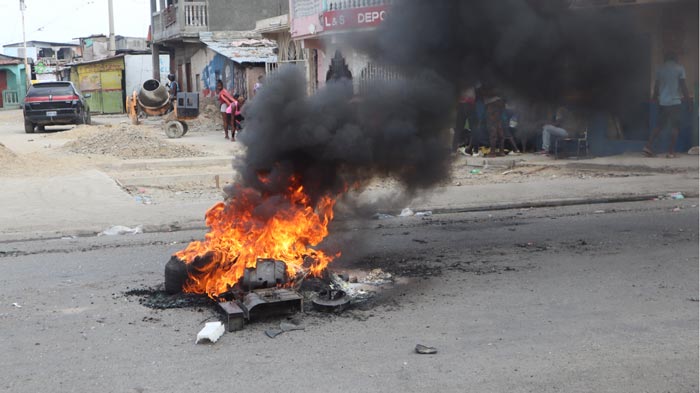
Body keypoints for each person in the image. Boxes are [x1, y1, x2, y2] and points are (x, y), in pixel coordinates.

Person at [643, 52, 691, 158]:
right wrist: (688, 101)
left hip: (663, 102)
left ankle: (648, 146)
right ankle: (670, 151)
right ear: (675, 58)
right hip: (675, 102)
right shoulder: (680, 69)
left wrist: (654, 99)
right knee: (675, 127)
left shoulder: (660, 69)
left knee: (659, 126)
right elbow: (683, 86)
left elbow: (656, 86)